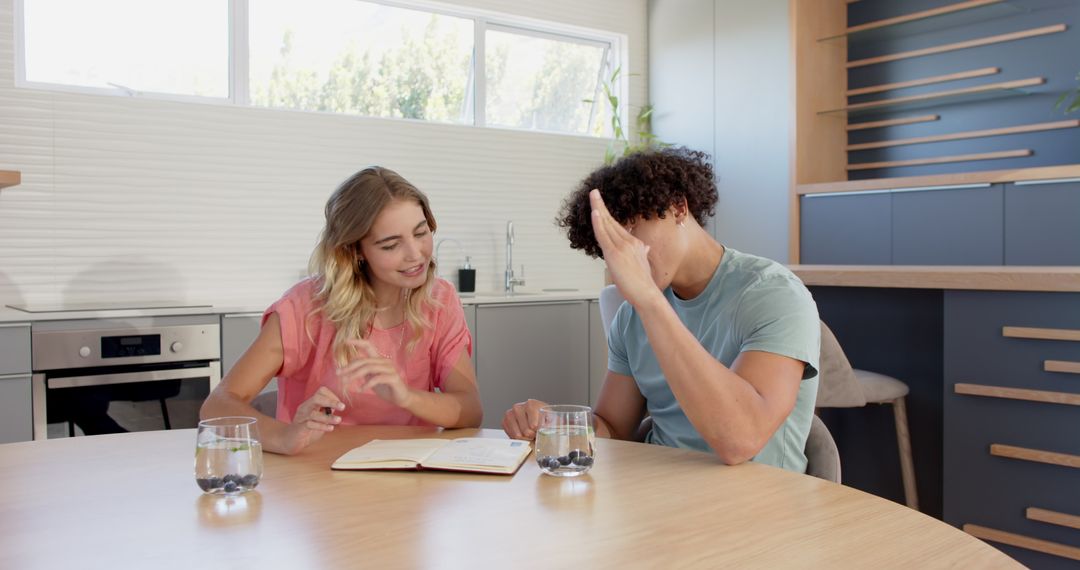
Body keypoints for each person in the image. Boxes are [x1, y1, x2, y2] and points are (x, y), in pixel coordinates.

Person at [502, 148, 820, 473]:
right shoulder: (632, 317)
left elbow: (740, 440)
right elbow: (613, 430)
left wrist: (651, 303)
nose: (624, 258)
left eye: (630, 233)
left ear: (678, 207)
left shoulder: (773, 294)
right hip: (659, 493)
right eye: (611, 249)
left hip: (761, 503)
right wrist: (555, 424)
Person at [202, 166, 482, 455]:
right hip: (318, 476)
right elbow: (218, 405)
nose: (416, 254)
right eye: (390, 245)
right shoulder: (305, 308)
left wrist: (407, 396)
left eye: (421, 232)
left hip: (411, 475)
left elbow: (470, 410)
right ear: (356, 250)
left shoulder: (439, 301)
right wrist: (284, 437)